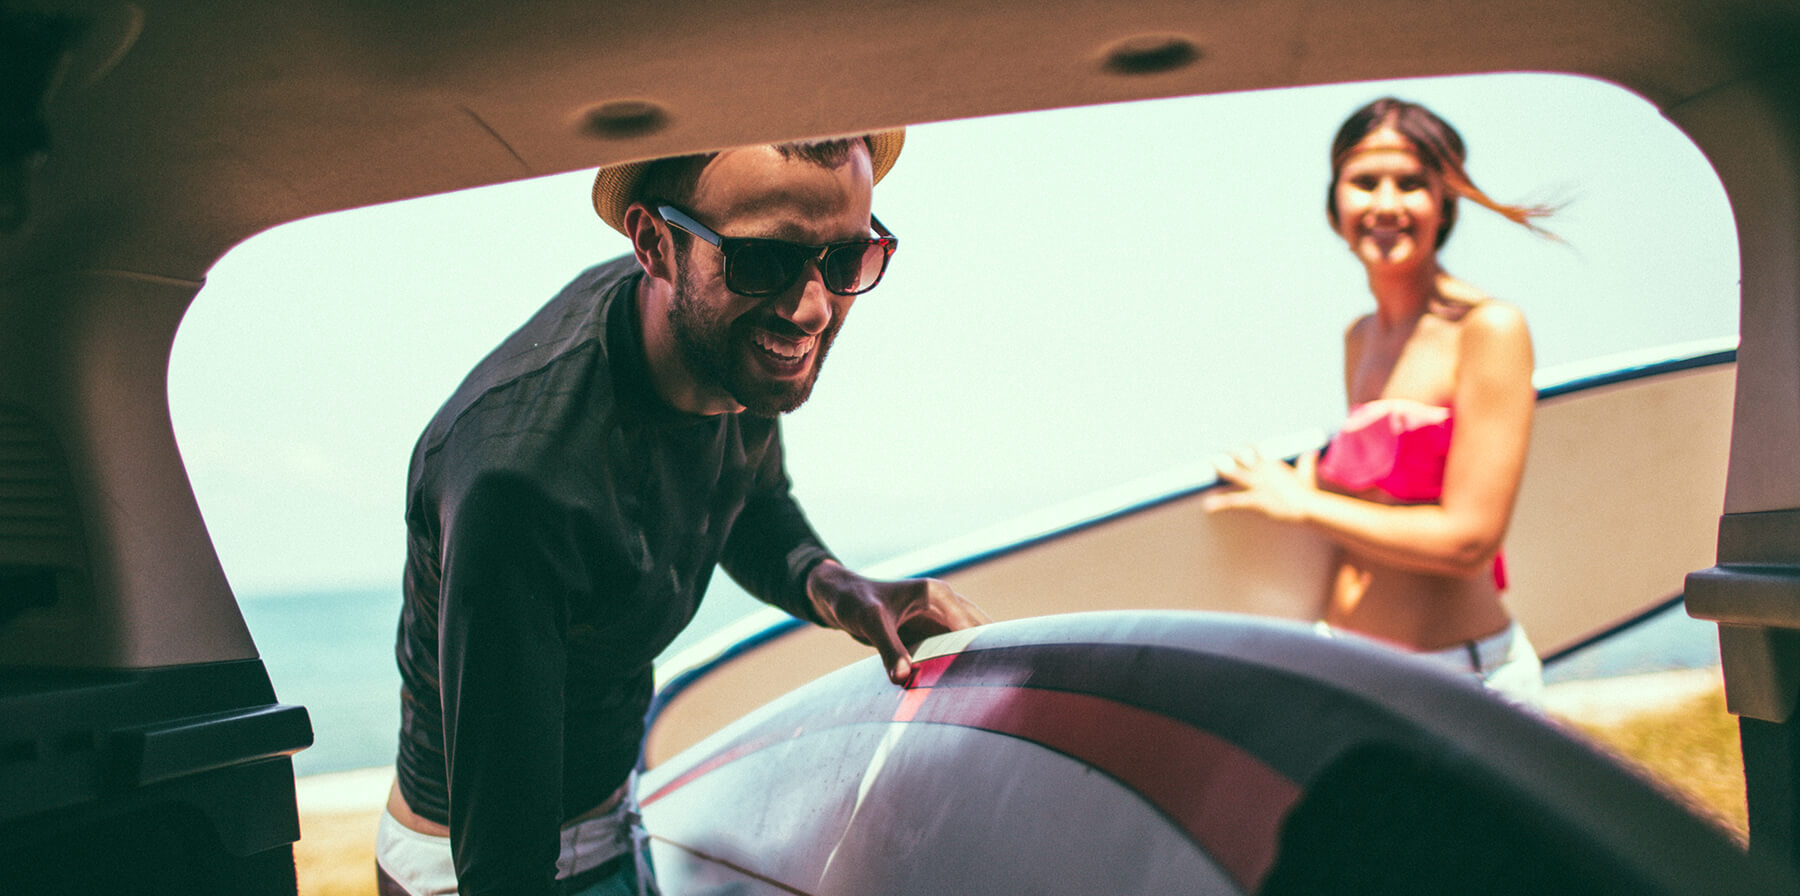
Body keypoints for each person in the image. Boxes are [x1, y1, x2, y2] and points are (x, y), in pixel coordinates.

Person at [376, 130, 991, 896]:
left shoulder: (727, 344)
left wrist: (840, 587)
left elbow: (752, 501)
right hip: (468, 860)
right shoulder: (519, 484)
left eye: (845, 260)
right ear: (655, 245)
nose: (810, 309)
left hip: (606, 815)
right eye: (763, 260)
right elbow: (502, 862)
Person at [1203, 97, 1552, 708]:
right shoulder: (1359, 338)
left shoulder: (1489, 329)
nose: (1386, 205)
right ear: (1335, 202)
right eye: (1365, 183)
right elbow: (1380, 505)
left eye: (1411, 184)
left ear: (1443, 202)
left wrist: (1304, 505)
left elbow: (1469, 541)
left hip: (1463, 684)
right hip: (1350, 667)